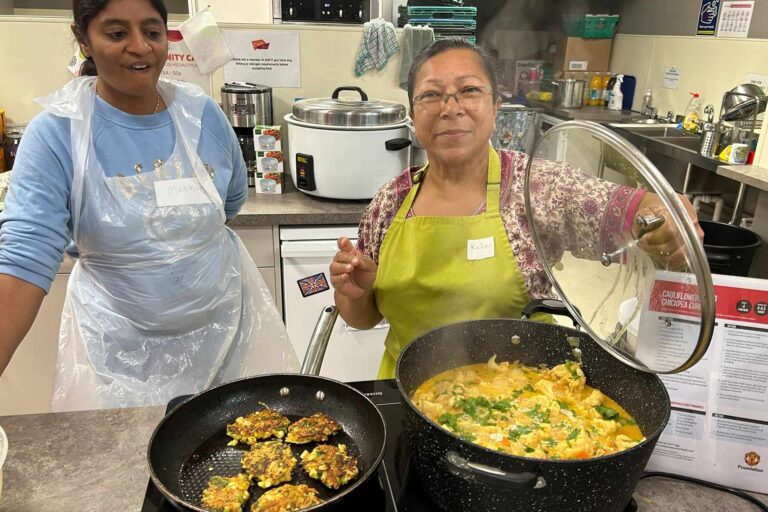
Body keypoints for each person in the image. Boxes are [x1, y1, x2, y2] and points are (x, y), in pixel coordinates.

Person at [330, 39, 703, 379]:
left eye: (469, 90)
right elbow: (361, 318)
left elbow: (629, 209)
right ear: (413, 114)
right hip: (407, 394)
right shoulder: (388, 203)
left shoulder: (536, 187)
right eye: (431, 95)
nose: (450, 108)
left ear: (495, 106)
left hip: (521, 402)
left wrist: (665, 215)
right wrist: (353, 290)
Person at [0, 0, 297, 411]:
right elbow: (22, 259)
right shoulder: (57, 133)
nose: (140, 47)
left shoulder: (202, 114)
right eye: (117, 33)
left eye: (153, 32)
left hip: (225, 332)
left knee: (238, 450)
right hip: (121, 355)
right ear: (84, 39)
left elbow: (229, 203)